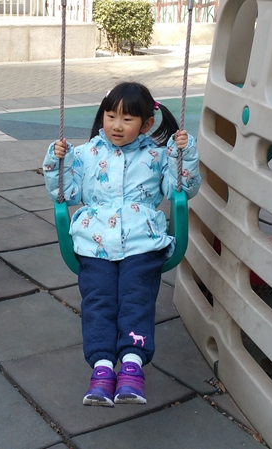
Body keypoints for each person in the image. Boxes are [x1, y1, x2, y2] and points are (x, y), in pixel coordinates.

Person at [42, 82, 200, 406]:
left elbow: (181, 189)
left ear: (147, 124)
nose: (116, 125)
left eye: (127, 119)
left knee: (136, 298)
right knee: (98, 301)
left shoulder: (157, 155)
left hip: (142, 241)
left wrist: (183, 154)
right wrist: (58, 161)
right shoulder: (85, 154)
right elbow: (65, 193)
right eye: (110, 116)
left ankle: (132, 366)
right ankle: (101, 369)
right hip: (94, 242)